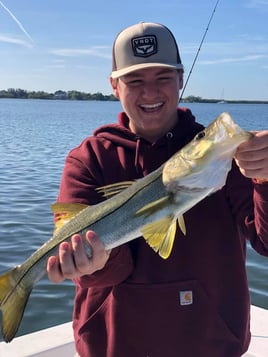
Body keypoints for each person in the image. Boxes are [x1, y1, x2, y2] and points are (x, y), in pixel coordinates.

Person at [46, 22, 268, 357]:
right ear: (114, 86)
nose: (149, 93)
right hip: (115, 346)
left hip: (212, 344)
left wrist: (265, 179)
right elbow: (103, 272)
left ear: (180, 79)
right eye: (134, 80)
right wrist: (91, 263)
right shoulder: (89, 158)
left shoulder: (222, 158)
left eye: (162, 77)